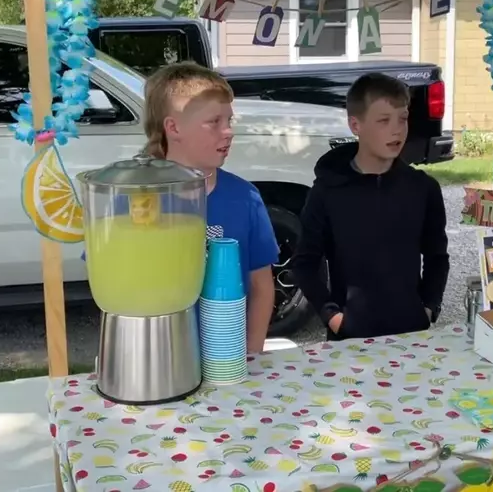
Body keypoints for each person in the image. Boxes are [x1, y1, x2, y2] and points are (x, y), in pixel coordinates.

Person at [290, 73, 450, 340]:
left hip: (412, 333)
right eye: (383, 121)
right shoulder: (328, 191)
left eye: (403, 118)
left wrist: (429, 308)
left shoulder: (424, 189)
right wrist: (333, 317)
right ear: (356, 125)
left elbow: (437, 257)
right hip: (350, 337)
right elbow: (304, 263)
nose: (397, 130)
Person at [142, 61, 279, 354]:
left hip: (226, 359)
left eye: (229, 121)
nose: (228, 132)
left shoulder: (245, 197)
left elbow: (262, 287)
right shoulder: (134, 197)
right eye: (214, 122)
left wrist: (252, 353)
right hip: (159, 360)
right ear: (174, 127)